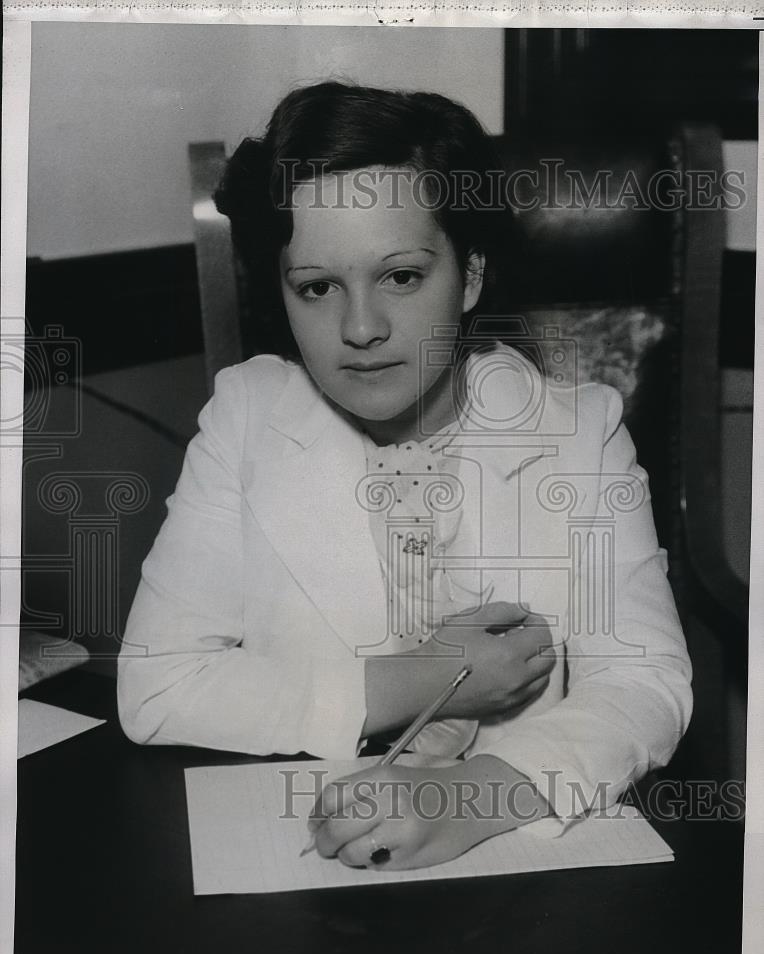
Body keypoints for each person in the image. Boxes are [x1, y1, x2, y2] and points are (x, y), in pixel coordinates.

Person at [117, 81, 692, 871]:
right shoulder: (248, 418)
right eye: (318, 287)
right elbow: (156, 689)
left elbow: (647, 684)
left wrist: (472, 796)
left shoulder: (578, 432)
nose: (360, 329)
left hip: (524, 855)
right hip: (286, 853)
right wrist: (430, 681)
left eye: (402, 276)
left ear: (473, 276)